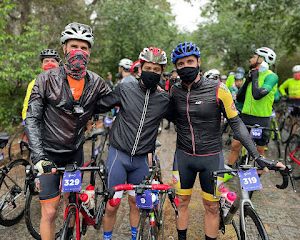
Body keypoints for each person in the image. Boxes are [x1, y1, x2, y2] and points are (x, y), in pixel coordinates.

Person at [169, 42, 284, 240]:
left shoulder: (218, 88)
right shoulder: (174, 90)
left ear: (198, 62)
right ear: (176, 67)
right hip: (183, 157)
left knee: (212, 207)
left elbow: (237, 123)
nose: (186, 66)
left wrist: (257, 155)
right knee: (181, 202)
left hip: (211, 158)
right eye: (181, 64)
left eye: (190, 61)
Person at [25, 22, 111, 240]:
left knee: (70, 203)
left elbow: (116, 101)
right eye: (74, 46)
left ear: (90, 51)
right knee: (50, 211)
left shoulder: (97, 82)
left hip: (75, 151)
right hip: (48, 154)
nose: (78, 52)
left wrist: (146, 88)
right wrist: (38, 157)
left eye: (84, 48)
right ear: (64, 48)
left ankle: (70, 233)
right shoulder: (46, 79)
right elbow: (32, 118)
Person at [96, 46, 169, 240]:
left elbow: (184, 117)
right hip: (118, 156)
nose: (152, 73)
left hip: (141, 160)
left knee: (136, 204)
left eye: (156, 70)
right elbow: (101, 104)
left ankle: (135, 236)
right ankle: (107, 238)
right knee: (112, 205)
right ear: (140, 68)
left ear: (162, 72)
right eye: (148, 68)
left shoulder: (163, 99)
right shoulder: (125, 88)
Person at [228, 47, 279, 170]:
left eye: (254, 57)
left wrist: (255, 78)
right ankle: (227, 172)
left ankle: (258, 178)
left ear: (261, 59)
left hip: (262, 118)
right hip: (245, 117)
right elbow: (240, 98)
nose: (251, 59)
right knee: (235, 145)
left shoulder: (271, 77)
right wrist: (247, 81)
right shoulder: (251, 75)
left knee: (259, 150)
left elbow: (257, 95)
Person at [22, 49, 61, 120]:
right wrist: (26, 121)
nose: (49, 64)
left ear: (58, 64)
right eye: (46, 61)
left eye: (53, 61)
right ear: (42, 64)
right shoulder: (34, 83)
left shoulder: (64, 80)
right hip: (41, 123)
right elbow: (27, 105)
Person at [279, 64, 300, 133]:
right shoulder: (290, 81)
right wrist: (285, 95)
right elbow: (281, 87)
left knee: (298, 118)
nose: (297, 74)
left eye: (298, 72)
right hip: (292, 101)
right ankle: (293, 133)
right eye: (295, 73)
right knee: (292, 118)